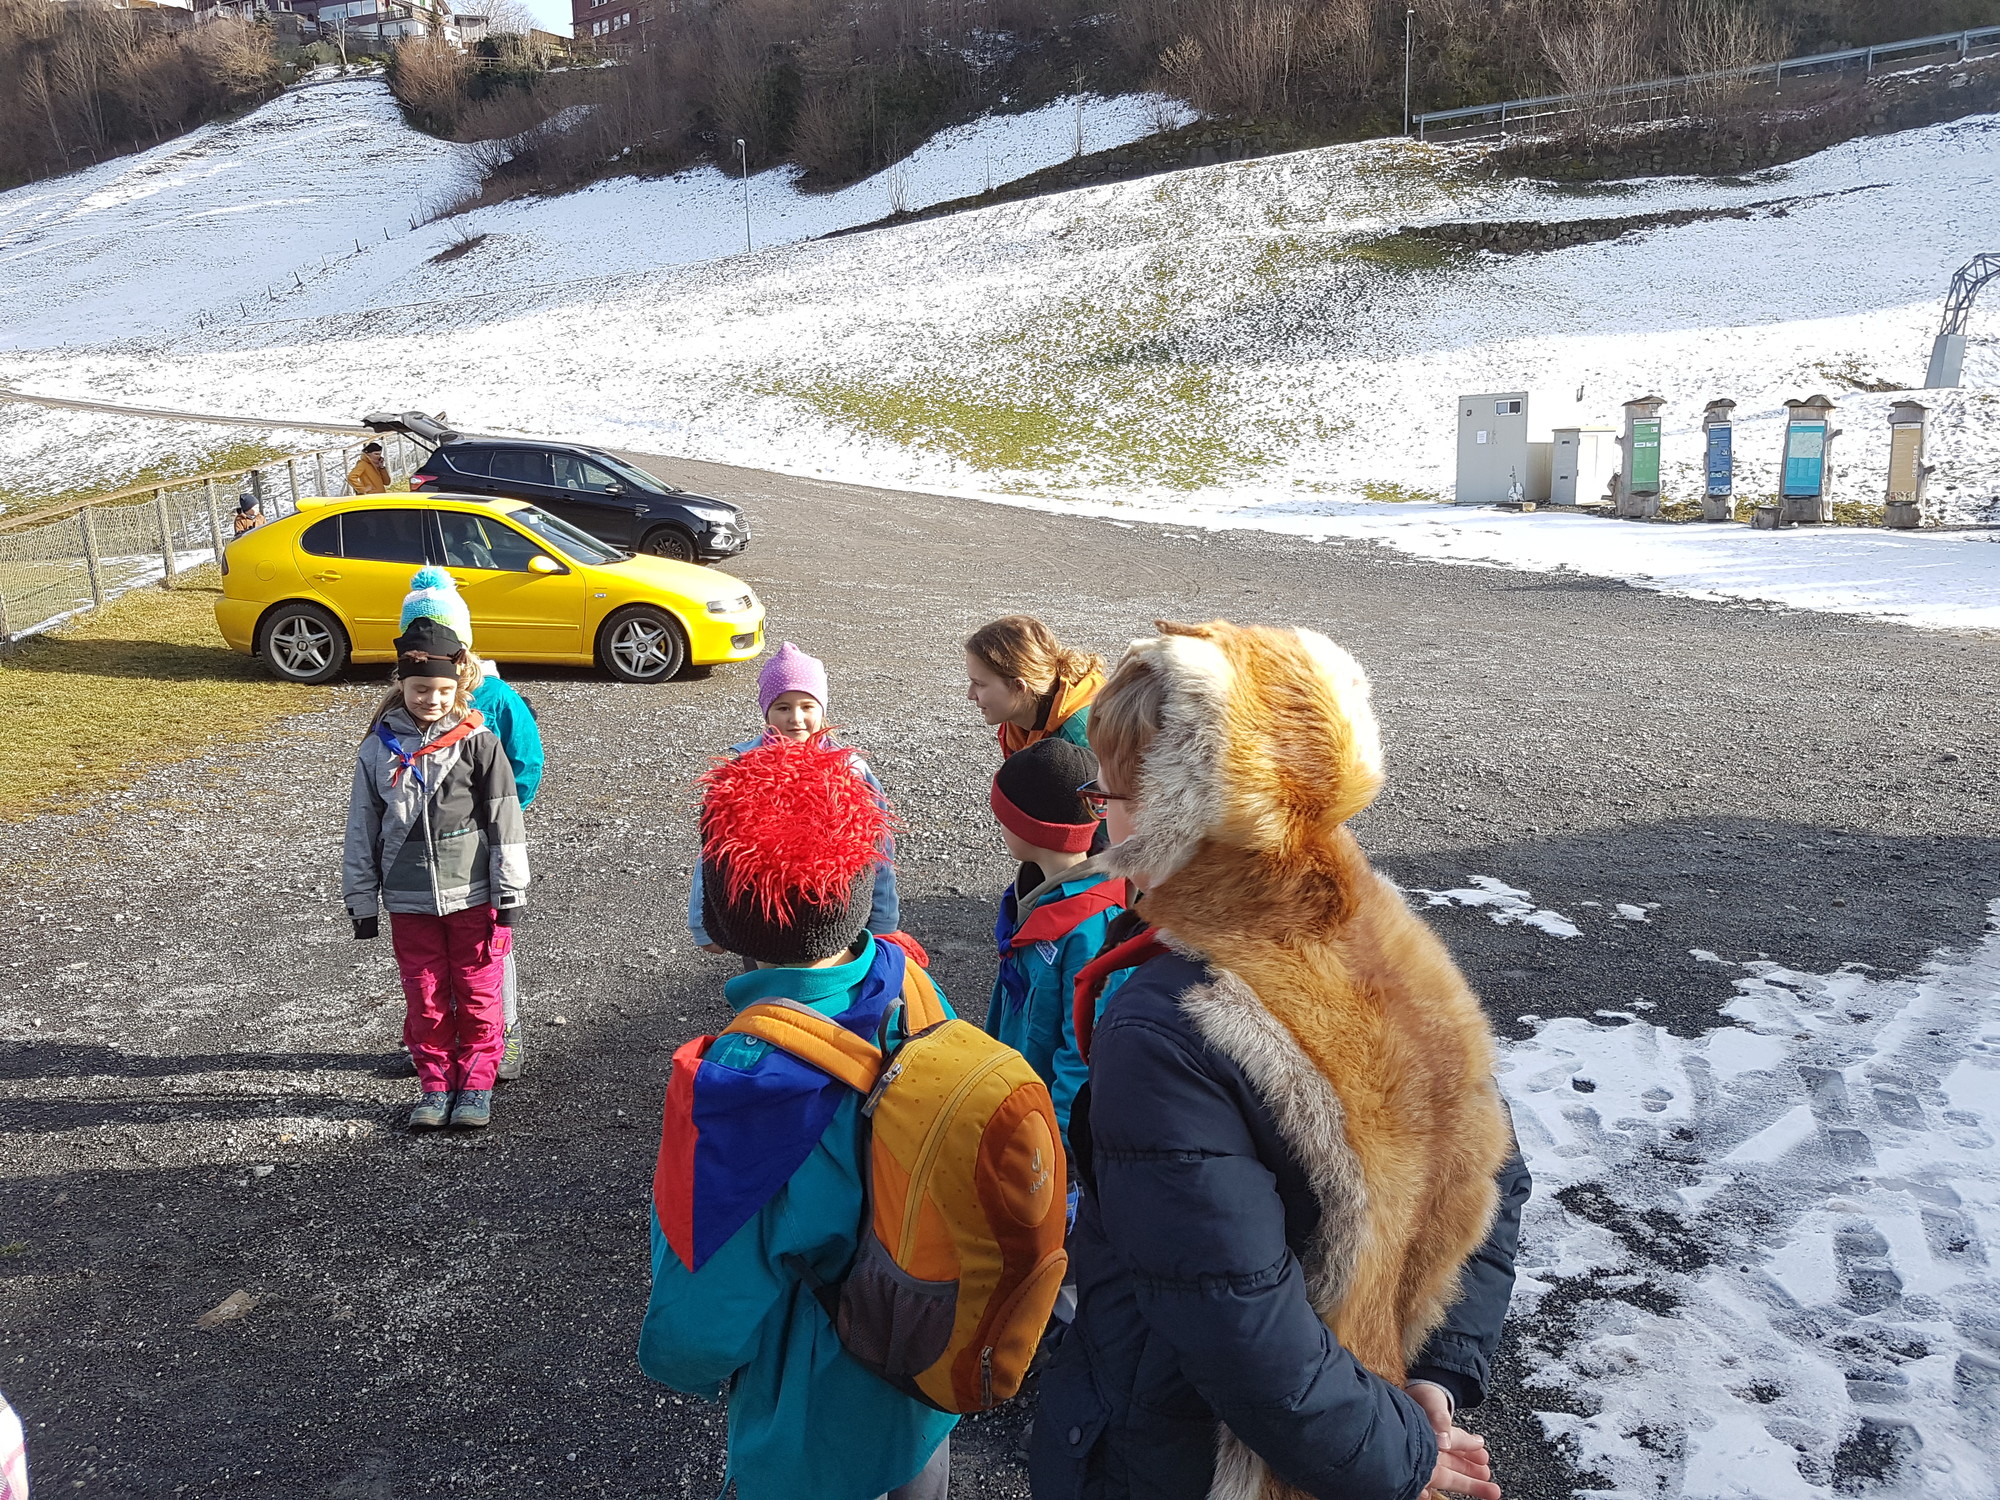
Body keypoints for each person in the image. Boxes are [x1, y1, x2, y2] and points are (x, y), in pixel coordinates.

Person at [1030, 619, 1529, 1500]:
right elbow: (1487, 1177)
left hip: (1196, 1460)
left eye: (1110, 796)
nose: (1103, 820)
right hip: (1360, 1411)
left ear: (1177, 812)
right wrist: (1432, 1380)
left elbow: (1233, 1317)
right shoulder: (1387, 942)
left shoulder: (1173, 1024)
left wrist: (1402, 1458)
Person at [640, 737, 955, 1500]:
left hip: (812, 1413)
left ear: (726, 914)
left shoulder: (734, 1091)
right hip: (924, 1370)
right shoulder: (913, 988)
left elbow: (696, 1327)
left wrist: (682, 1364)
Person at [343, 615, 528, 1130]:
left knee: (478, 992)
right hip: (408, 899)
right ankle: (435, 1085)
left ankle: (476, 1086)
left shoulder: (479, 742)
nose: (433, 699)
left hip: (474, 894)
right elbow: (362, 826)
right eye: (421, 689)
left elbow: (506, 821)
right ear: (401, 685)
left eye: (444, 690)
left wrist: (511, 891)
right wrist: (361, 900)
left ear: (458, 687)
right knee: (424, 996)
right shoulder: (377, 748)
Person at [397, 567, 545, 1080]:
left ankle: (504, 1032)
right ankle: (433, 1040)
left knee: (486, 947)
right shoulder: (405, 703)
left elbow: (526, 764)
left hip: (483, 845)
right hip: (422, 853)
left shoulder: (497, 698)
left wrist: (498, 820)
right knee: (427, 956)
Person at [688, 642, 898, 956]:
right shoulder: (741, 771)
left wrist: (883, 921)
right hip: (760, 920)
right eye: (783, 707)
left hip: (832, 919)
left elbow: (878, 849)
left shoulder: (850, 770)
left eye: (807, 706)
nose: (795, 718)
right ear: (766, 711)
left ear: (822, 709)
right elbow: (714, 853)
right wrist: (703, 923)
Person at [984, 737, 1128, 1148]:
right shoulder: (1034, 893)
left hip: (1046, 1133)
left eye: (1004, 816)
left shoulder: (1090, 928)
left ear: (1033, 829)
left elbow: (1081, 1053)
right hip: (1015, 1097)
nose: (999, 824)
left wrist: (1058, 1142)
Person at [965, 615, 1104, 758]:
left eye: (979, 684)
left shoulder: (1085, 740)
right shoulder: (1017, 717)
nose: (970, 695)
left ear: (1019, 687)